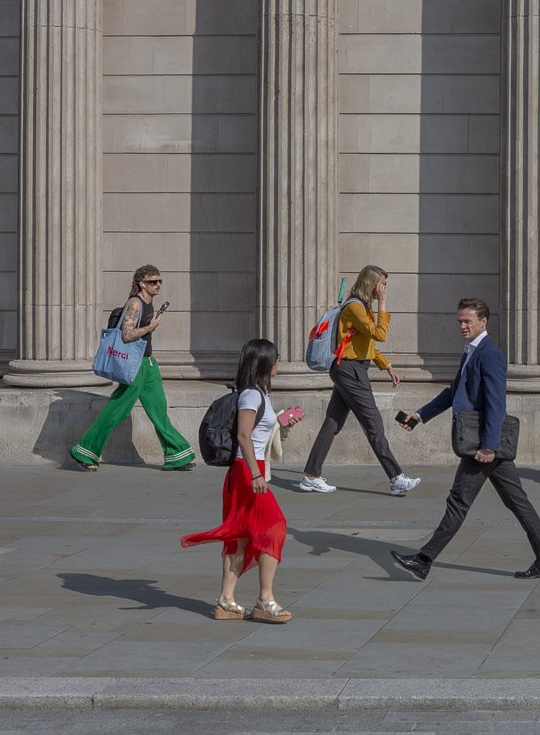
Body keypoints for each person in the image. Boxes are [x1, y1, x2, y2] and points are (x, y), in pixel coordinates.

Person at [390, 297, 540, 581]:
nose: (462, 326)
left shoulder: (489, 353)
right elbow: (453, 392)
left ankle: (424, 559)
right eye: (460, 321)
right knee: (517, 501)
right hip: (483, 444)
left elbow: (496, 404)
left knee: (458, 502)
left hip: (481, 445)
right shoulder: (471, 352)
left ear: (483, 322)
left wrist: (489, 446)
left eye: (468, 321)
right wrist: (420, 415)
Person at [181, 339, 301, 623]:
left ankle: (226, 601)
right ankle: (265, 599)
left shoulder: (258, 393)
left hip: (246, 469)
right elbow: (243, 436)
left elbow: (256, 433)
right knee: (275, 528)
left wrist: (280, 420)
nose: (278, 364)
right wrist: (256, 474)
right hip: (247, 470)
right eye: (276, 359)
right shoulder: (252, 395)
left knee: (241, 536)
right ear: (264, 363)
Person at [299, 264, 420, 496]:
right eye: (381, 284)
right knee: (373, 423)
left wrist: (387, 366)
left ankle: (310, 476)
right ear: (370, 283)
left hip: (350, 369)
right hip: (350, 371)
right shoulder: (355, 307)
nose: (383, 289)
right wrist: (383, 305)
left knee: (332, 423)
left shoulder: (362, 306)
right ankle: (396, 477)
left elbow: (367, 345)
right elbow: (379, 335)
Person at [69, 265, 196, 471]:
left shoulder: (149, 304)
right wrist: (150, 327)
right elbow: (126, 335)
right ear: (141, 283)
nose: (158, 285)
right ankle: (85, 450)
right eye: (153, 282)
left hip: (148, 364)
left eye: (159, 281)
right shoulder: (135, 304)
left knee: (159, 409)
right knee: (117, 410)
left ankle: (176, 454)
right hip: (134, 366)